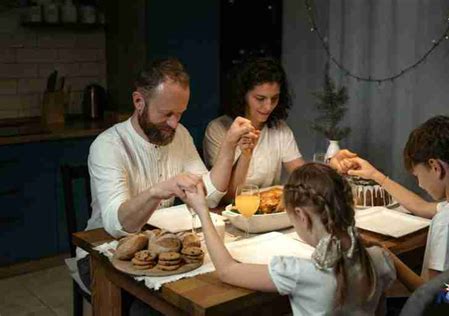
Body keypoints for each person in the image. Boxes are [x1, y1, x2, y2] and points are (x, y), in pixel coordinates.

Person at [76, 58, 257, 290]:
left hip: (160, 247)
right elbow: (115, 224)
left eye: (180, 113)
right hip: (103, 253)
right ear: (139, 101)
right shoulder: (108, 145)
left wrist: (230, 145)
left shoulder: (180, 134)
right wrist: (157, 191)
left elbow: (209, 196)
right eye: (166, 113)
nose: (174, 123)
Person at [182, 163, 396, 315]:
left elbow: (227, 271)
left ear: (302, 216)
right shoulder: (379, 259)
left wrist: (202, 210)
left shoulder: (300, 272)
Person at [203, 57, 354, 201]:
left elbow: (302, 174)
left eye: (274, 98)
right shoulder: (218, 130)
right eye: (260, 99)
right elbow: (230, 197)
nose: (268, 107)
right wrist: (246, 155)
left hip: (269, 212)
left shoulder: (280, 128)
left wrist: (329, 166)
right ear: (243, 95)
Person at [345, 115, 449, 281]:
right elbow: (421, 207)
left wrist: (387, 256)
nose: (420, 184)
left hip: (438, 305)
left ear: (435, 167)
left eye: (417, 175)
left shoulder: (448, 222)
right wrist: (376, 176)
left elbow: (434, 297)